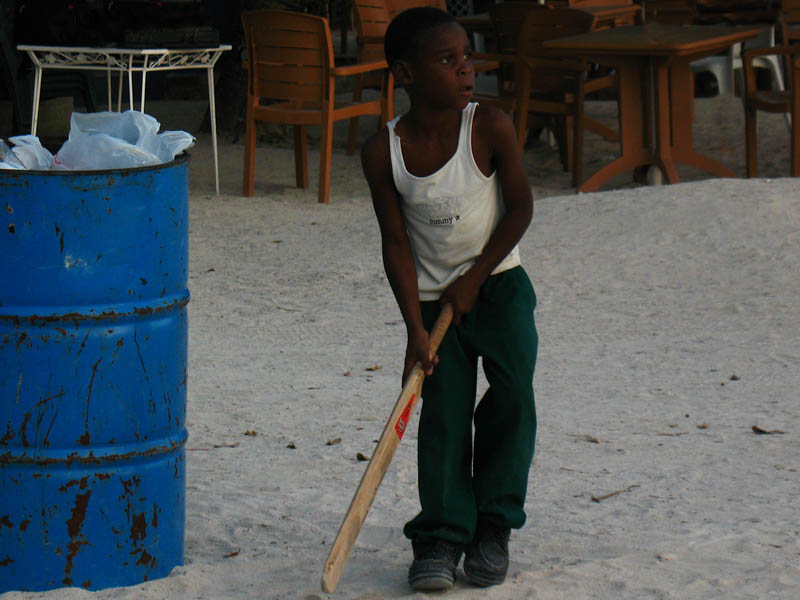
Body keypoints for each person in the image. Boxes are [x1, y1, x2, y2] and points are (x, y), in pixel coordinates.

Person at [360, 6, 539, 593]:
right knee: (442, 416)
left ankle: (493, 526)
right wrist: (414, 329)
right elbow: (395, 244)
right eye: (447, 60)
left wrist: (475, 279)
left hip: (501, 287)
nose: (466, 69)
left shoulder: (488, 127)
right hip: (436, 306)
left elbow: (520, 208)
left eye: (467, 57)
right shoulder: (383, 151)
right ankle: (439, 536)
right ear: (405, 74)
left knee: (512, 398)